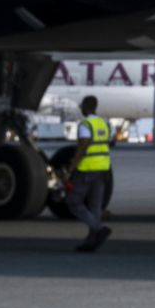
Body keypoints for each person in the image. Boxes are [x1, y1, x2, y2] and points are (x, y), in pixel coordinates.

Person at [65, 94, 114, 252]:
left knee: (73, 201)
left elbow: (83, 146)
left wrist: (72, 166)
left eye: (82, 105)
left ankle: (98, 229)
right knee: (95, 205)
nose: (80, 108)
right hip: (103, 169)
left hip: (87, 168)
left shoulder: (85, 124)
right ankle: (92, 240)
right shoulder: (103, 123)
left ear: (86, 106)